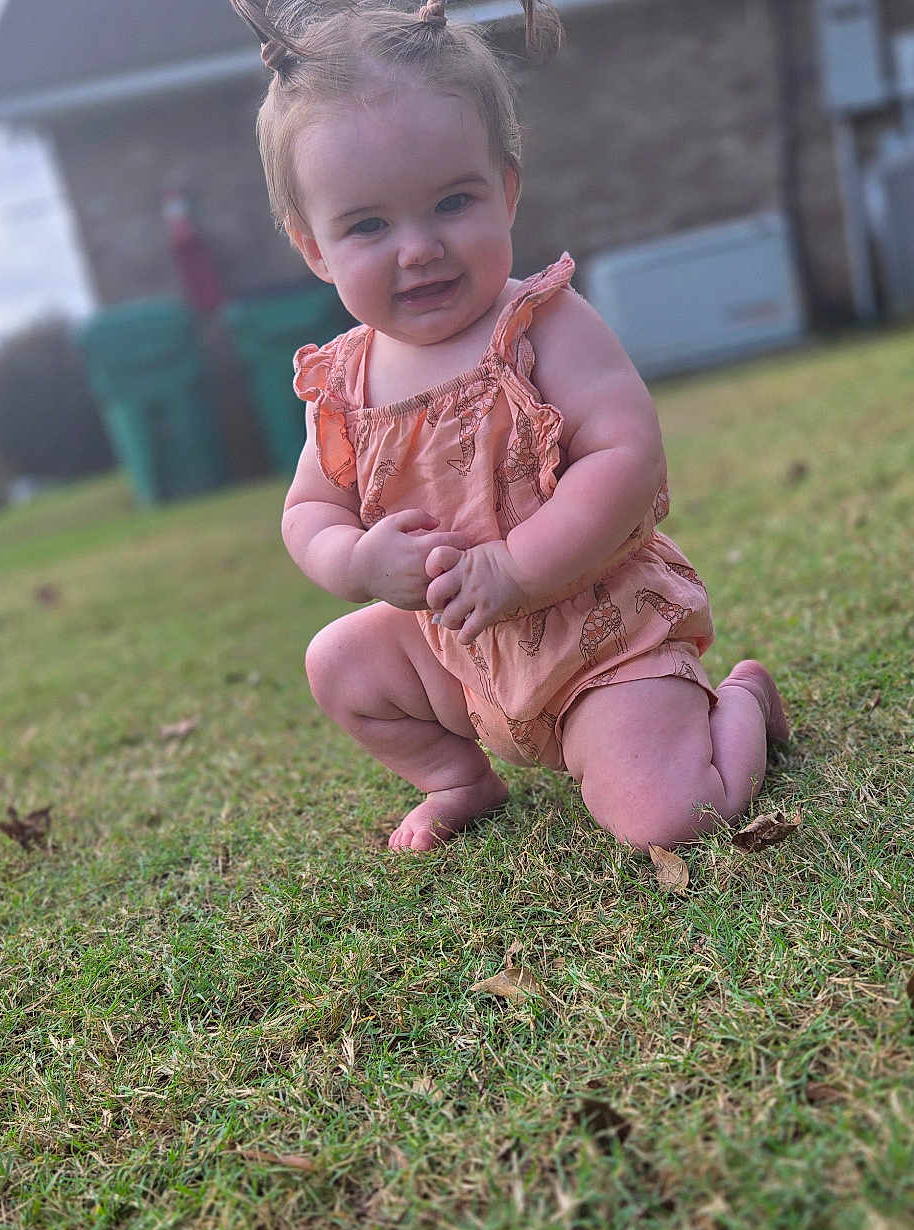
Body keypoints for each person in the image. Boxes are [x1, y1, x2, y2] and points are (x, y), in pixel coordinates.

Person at [232, 0, 789, 852]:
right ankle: (460, 778)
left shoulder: (541, 326)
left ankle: (742, 704)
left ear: (508, 191)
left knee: (671, 818)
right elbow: (308, 510)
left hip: (597, 639)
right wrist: (358, 561)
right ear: (314, 247)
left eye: (452, 202)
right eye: (370, 225)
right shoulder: (342, 385)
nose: (418, 248)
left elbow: (627, 453)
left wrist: (517, 568)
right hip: (456, 650)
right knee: (338, 663)